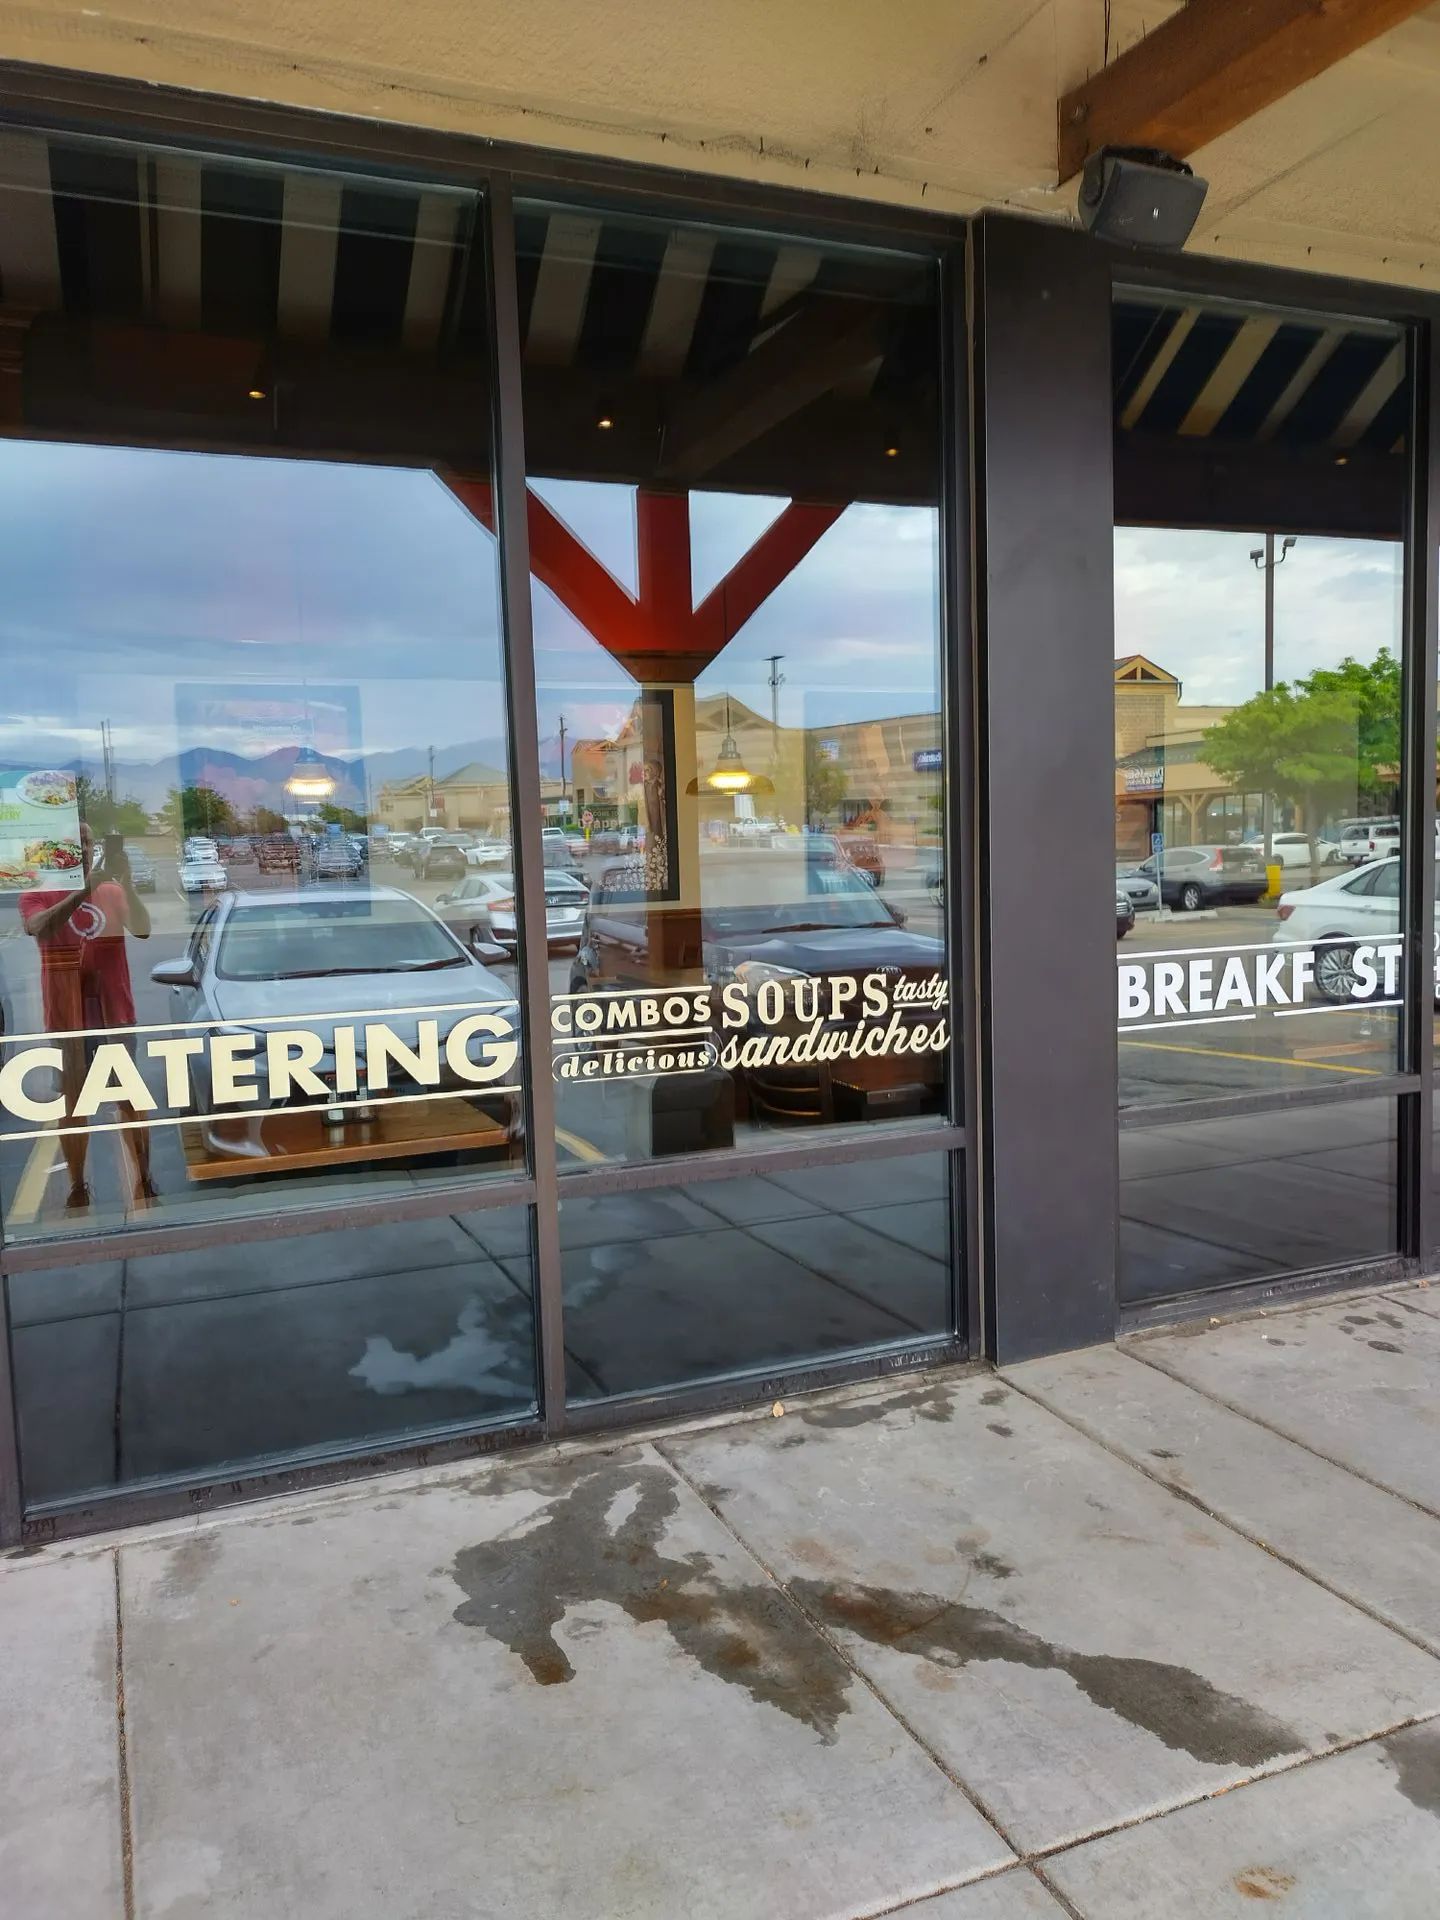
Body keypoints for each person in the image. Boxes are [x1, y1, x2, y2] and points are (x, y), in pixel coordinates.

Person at [20, 824, 155, 1210]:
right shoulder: (38, 893)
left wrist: (125, 884)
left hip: (116, 1014)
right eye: (73, 843)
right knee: (74, 1105)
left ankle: (144, 1175)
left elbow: (143, 930)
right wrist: (83, 889)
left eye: (87, 842)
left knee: (129, 1099)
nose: (82, 848)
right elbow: (39, 926)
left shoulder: (111, 890)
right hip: (68, 1017)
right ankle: (77, 1184)